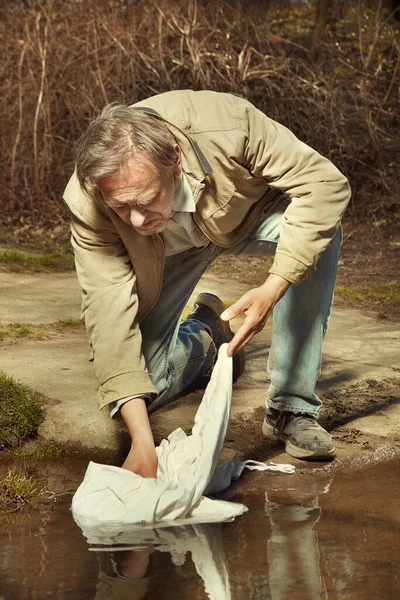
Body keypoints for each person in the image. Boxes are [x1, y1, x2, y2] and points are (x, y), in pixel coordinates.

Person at [63, 90, 350, 478]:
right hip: (169, 252)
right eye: (120, 207)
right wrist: (143, 444)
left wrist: (275, 285)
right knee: (138, 391)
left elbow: (325, 184)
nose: (133, 220)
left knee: (321, 232)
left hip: (245, 220)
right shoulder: (88, 202)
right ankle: (209, 336)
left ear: (176, 161)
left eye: (145, 199)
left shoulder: (230, 126)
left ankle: (291, 407)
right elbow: (107, 314)